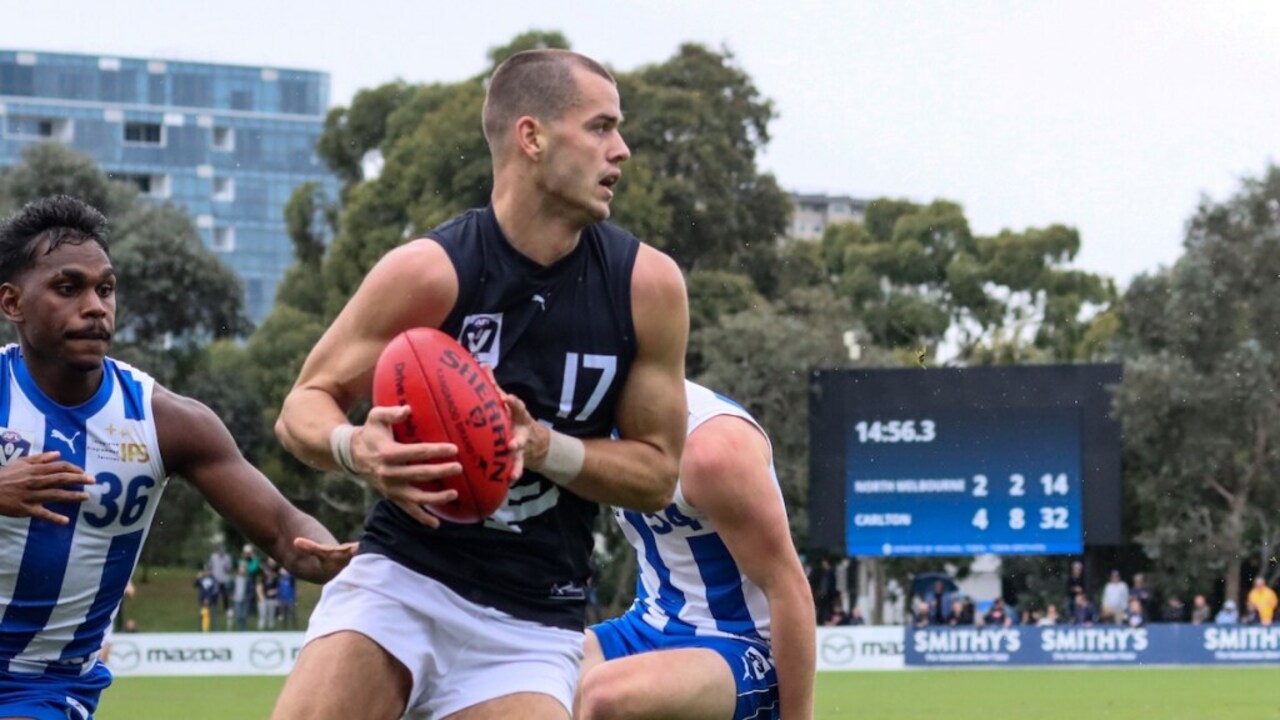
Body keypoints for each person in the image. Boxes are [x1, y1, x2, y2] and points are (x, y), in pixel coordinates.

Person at [270, 48, 690, 720]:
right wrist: (358, 447)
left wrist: (542, 445)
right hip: (402, 582)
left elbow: (657, 474)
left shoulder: (648, 287)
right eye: (601, 127)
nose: (624, 150)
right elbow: (301, 407)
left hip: (531, 621)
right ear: (533, 137)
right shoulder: (430, 272)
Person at [0, 195, 357, 719]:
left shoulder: (165, 422)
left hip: (43, 689)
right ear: (12, 304)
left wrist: (339, 559)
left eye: (106, 289)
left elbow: (286, 530)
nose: (96, 306)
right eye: (67, 288)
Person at [575, 381, 814, 720]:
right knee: (532, 675)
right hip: (646, 626)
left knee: (605, 694)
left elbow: (788, 588)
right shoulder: (589, 428)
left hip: (740, 646)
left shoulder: (714, 450)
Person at [194, 565, 220, 632]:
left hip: (212, 601)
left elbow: (215, 591)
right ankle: (199, 631)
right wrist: (198, 577)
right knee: (201, 616)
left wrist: (208, 598)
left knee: (213, 617)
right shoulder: (201, 579)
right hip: (202, 600)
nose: (207, 572)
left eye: (209, 570)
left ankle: (214, 632)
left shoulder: (214, 579)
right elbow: (195, 585)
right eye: (206, 570)